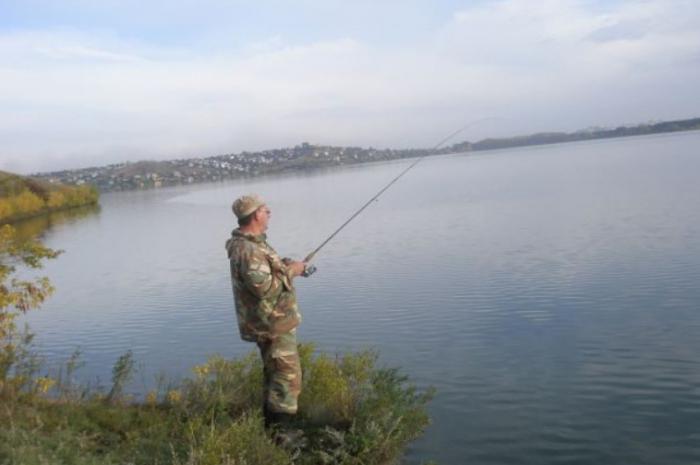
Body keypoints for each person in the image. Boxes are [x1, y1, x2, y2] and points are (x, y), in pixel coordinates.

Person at [225, 194, 307, 430]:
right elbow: (264, 288)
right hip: (272, 325)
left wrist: (283, 264)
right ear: (254, 215)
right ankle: (285, 441)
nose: (269, 212)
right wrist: (293, 271)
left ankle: (271, 434)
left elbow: (262, 274)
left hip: (272, 323)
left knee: (276, 377)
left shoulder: (253, 243)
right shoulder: (248, 249)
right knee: (286, 380)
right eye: (265, 209)